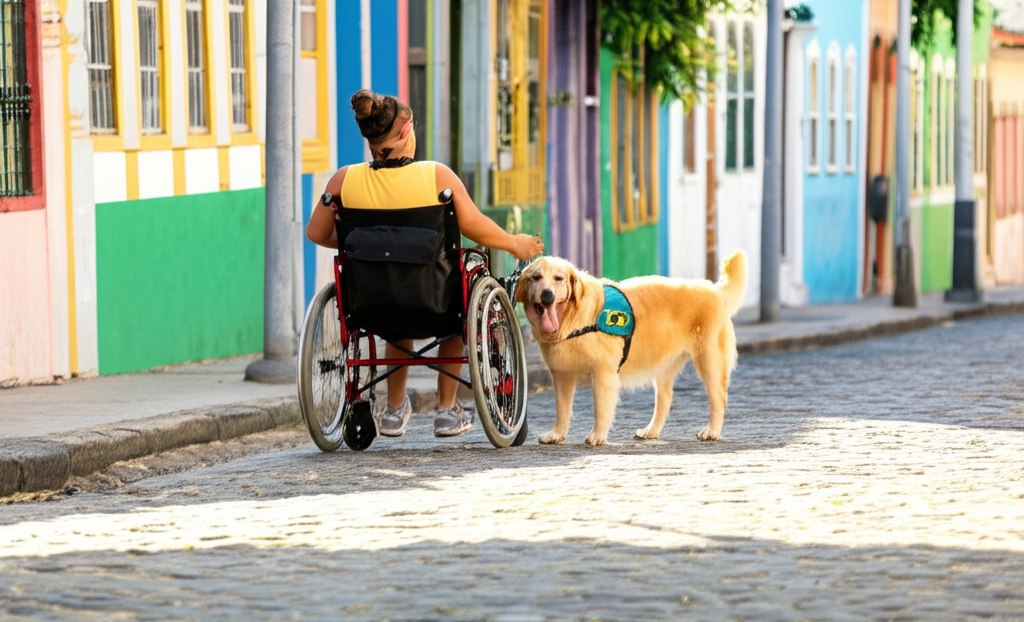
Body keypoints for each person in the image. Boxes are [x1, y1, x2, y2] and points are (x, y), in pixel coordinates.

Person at [306, 89, 544, 438]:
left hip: (370, 304)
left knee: (394, 297)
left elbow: (316, 232)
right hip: (436, 302)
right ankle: (447, 408)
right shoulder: (436, 176)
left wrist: (362, 244)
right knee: (459, 294)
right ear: (406, 132)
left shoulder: (343, 180)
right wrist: (514, 243)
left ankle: (393, 409)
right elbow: (474, 225)